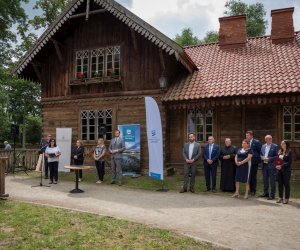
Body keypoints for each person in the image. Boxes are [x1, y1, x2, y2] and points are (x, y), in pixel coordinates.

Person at [260, 135, 278, 200]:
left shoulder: (275, 146)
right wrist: (262, 157)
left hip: (271, 166)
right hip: (264, 165)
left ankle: (272, 195)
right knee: (265, 180)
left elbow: (277, 156)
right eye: (268, 139)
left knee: (272, 180)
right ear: (265, 140)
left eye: (271, 138)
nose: (270, 140)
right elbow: (261, 154)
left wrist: (269, 159)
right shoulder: (263, 146)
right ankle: (265, 193)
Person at [245, 131, 262, 196]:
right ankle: (248, 189)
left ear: (251, 136)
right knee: (248, 175)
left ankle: (253, 190)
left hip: (254, 161)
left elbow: (260, 151)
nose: (247, 136)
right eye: (246, 135)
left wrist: (258, 159)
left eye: (248, 135)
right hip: (247, 161)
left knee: (253, 176)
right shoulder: (246, 142)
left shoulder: (256, 142)